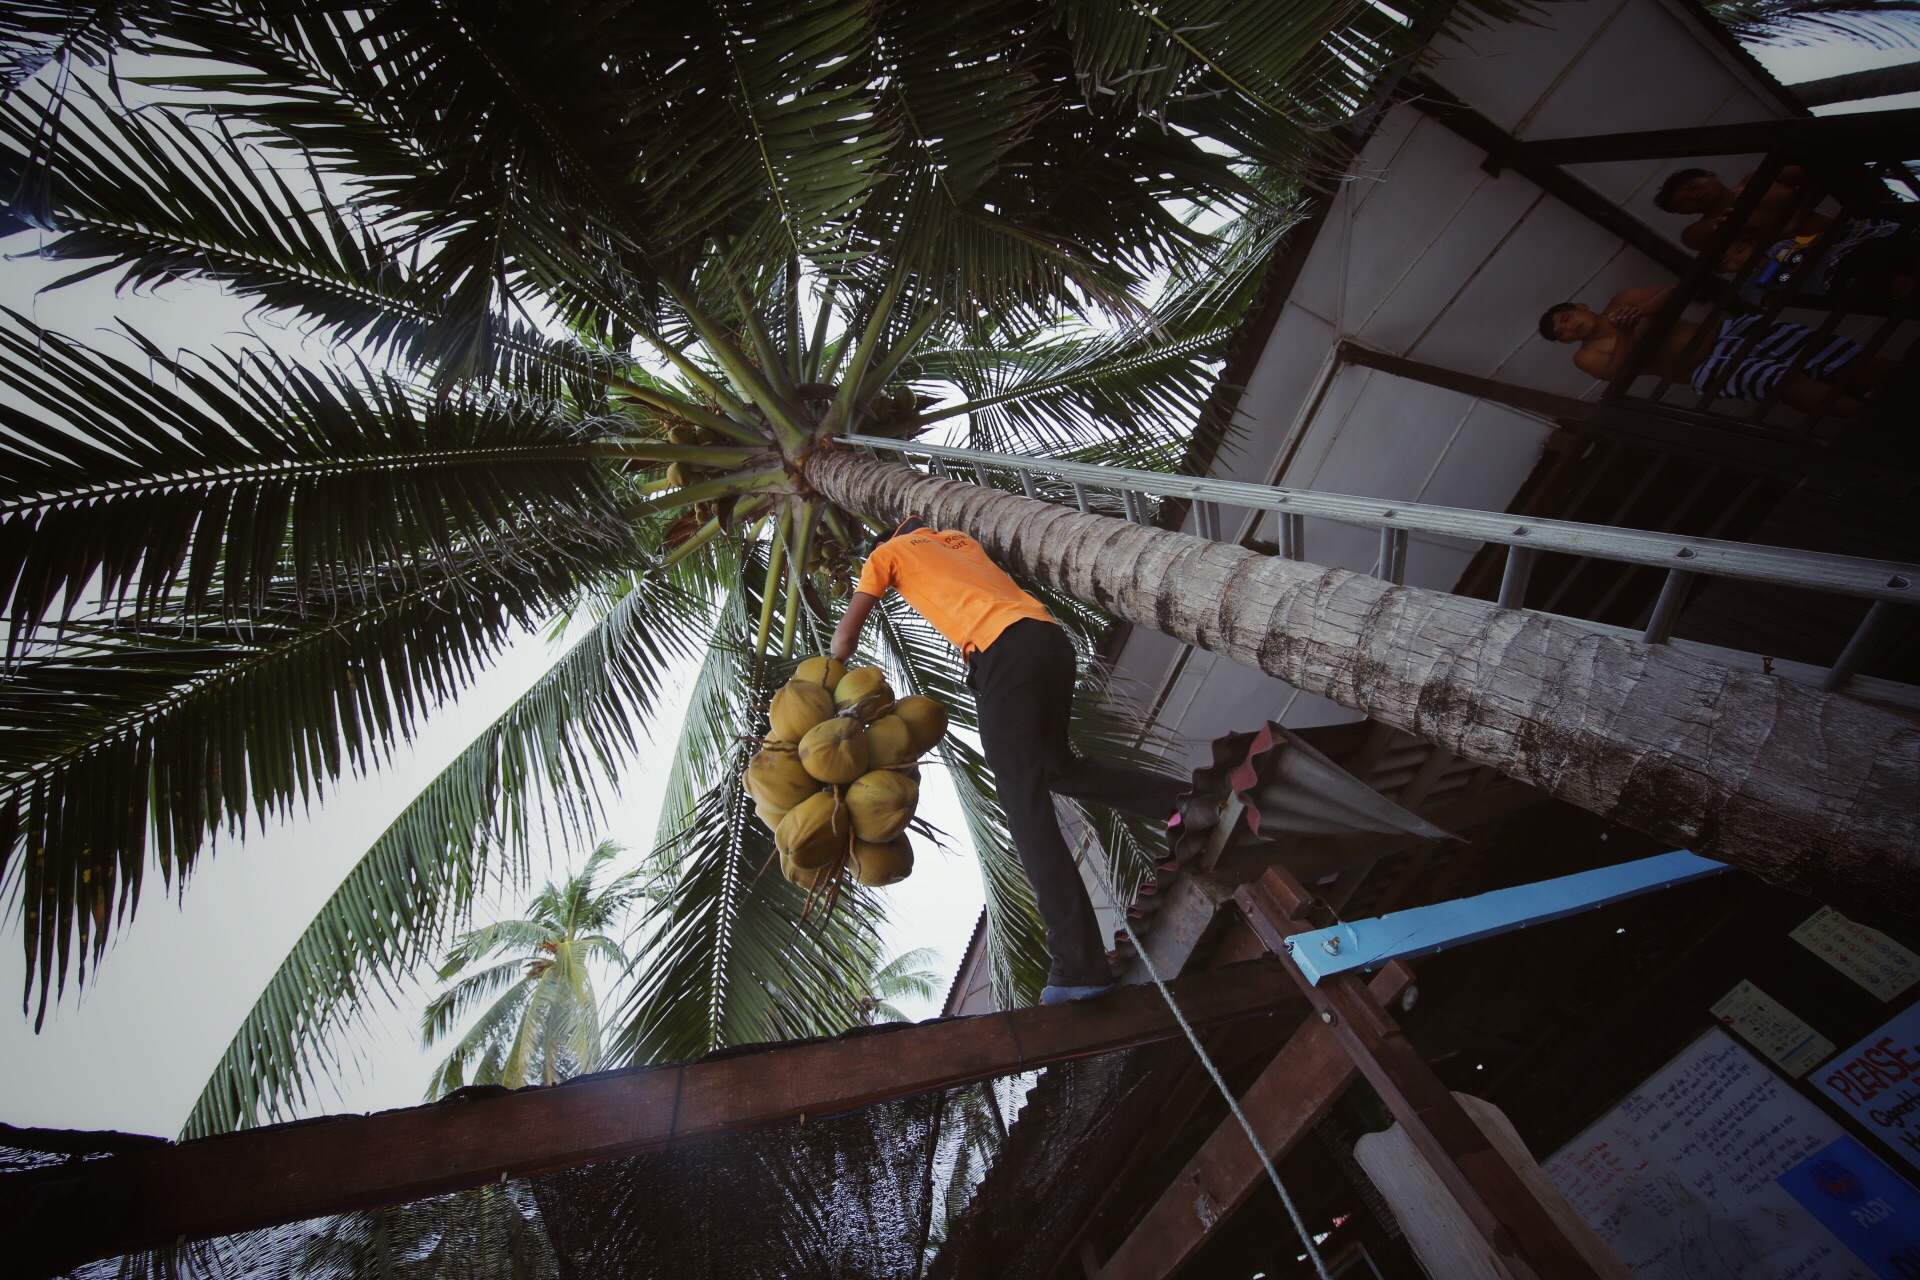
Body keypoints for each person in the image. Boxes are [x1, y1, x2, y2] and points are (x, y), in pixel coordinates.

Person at [830, 517, 1192, 1005]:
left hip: (1002, 654)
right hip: (1048, 641)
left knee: (1022, 802)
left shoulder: (887, 555)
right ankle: (1183, 802)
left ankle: (1078, 965)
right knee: (1058, 769)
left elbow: (846, 638)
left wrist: (829, 678)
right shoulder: (960, 542)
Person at [1538, 285, 1887, 415]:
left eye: (1567, 318)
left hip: (1729, 332)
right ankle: (1875, 416)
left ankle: (1898, 385)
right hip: (1706, 368)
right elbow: (1616, 373)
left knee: (1829, 353)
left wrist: (1642, 313)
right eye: (1562, 332)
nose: (1569, 327)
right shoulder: (1584, 355)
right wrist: (1627, 332)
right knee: (1782, 382)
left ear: (1581, 305)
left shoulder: (1624, 299)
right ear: (1566, 342)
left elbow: (1676, 291)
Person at [1654, 166, 1830, 251]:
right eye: (1683, 203)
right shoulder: (1705, 227)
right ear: (1685, 213)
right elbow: (1691, 239)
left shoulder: (1757, 179)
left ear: (1711, 175)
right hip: (1806, 260)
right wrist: (1715, 225)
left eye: (1693, 187)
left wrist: (1797, 216)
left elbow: (1820, 174)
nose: (1694, 196)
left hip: (1837, 229)